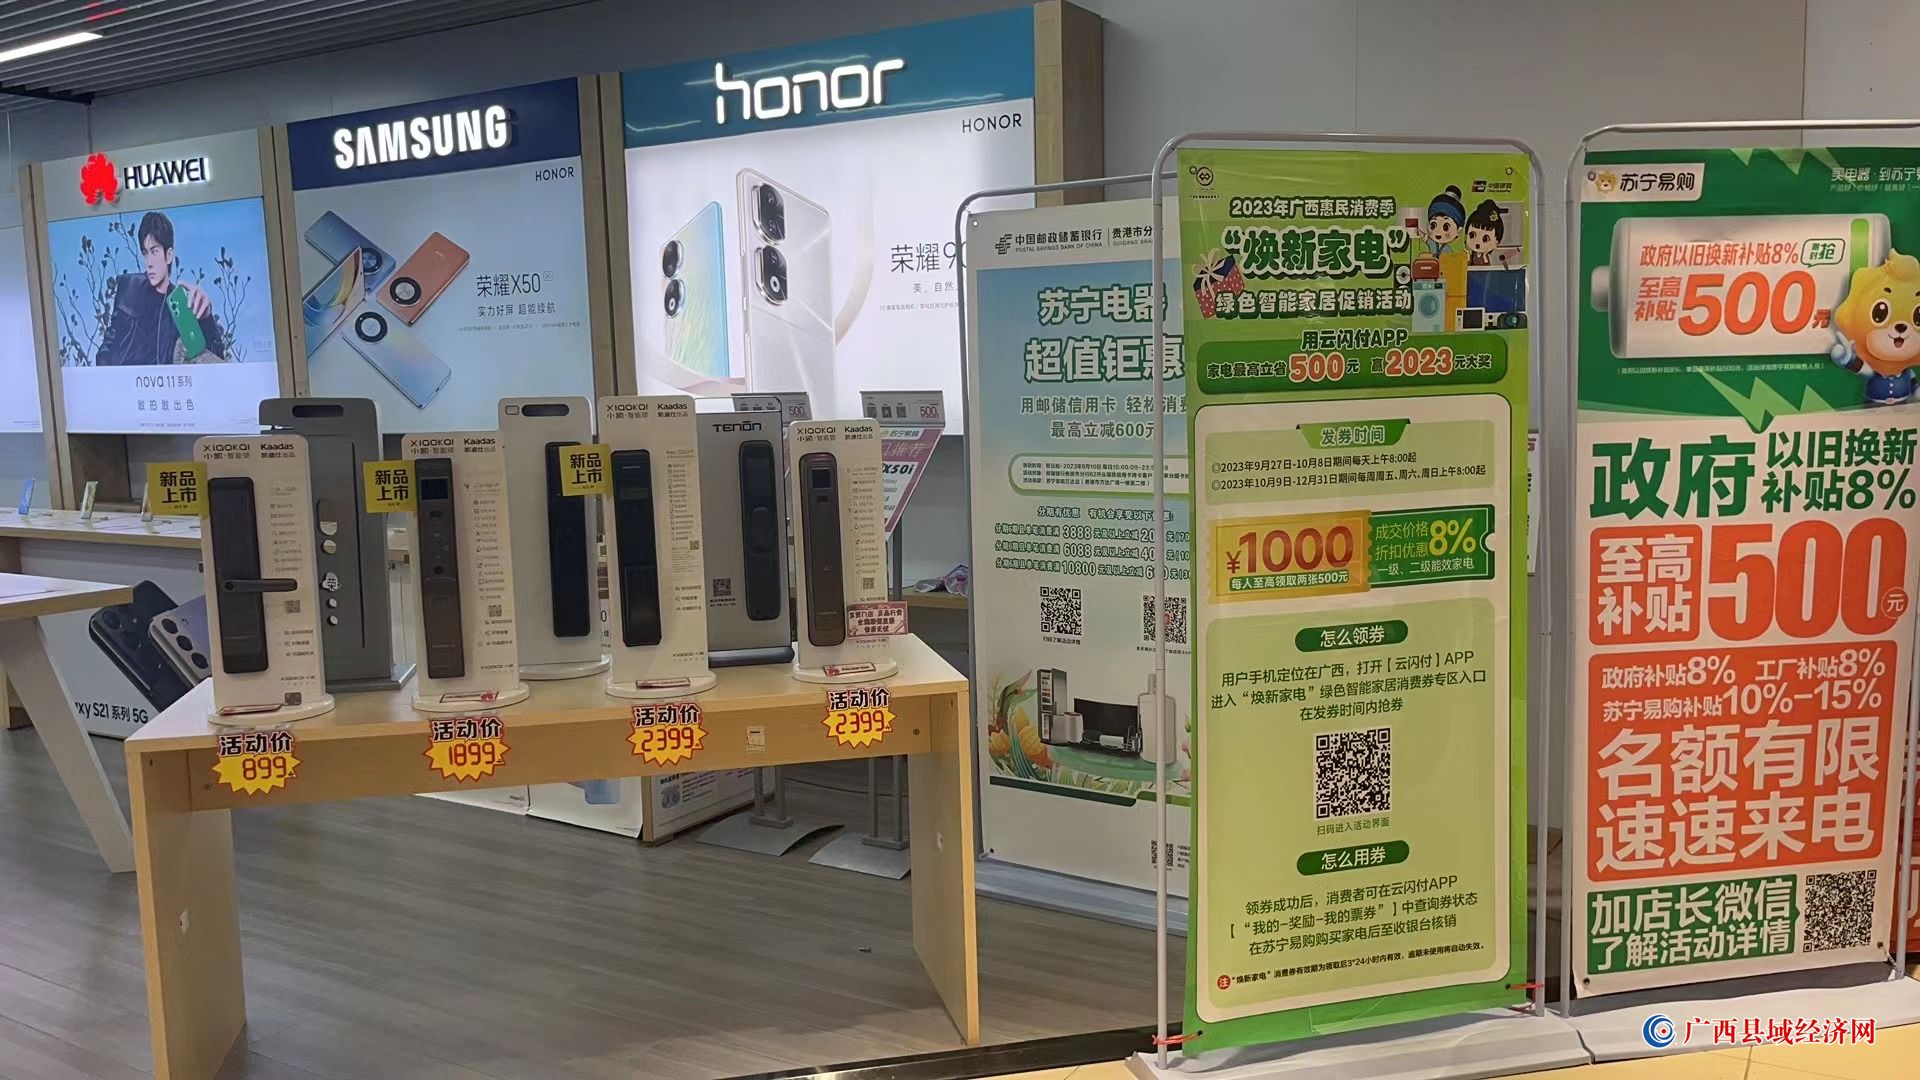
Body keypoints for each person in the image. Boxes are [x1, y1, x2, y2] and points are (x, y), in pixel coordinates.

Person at [94, 211, 225, 366]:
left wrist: (206, 320)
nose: (149, 262)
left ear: (168, 255)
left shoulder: (181, 305)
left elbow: (214, 362)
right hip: (126, 379)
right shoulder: (130, 287)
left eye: (155, 252)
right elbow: (107, 350)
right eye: (145, 253)